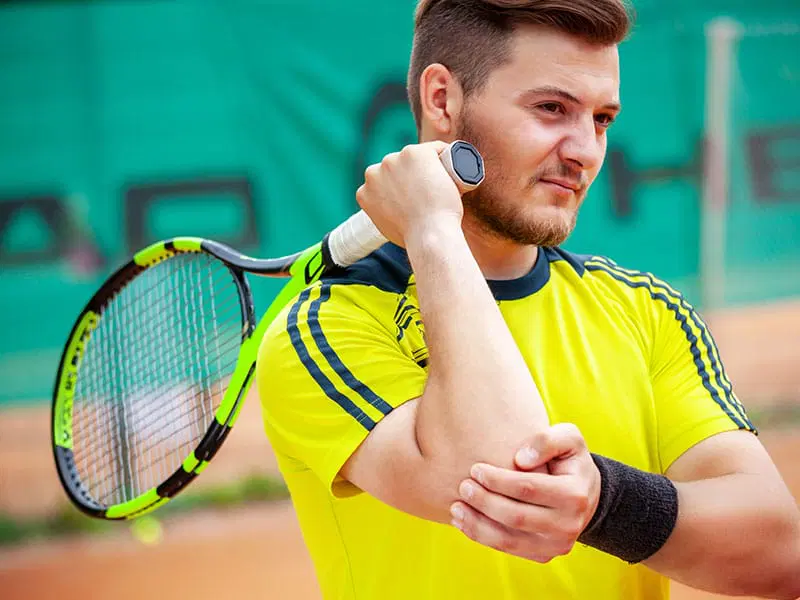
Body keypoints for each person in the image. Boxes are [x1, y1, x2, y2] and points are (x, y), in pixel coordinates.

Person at [256, 1, 800, 598]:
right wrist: (434, 228)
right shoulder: (322, 327)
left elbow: (780, 552)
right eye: (551, 109)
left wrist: (603, 500)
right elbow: (505, 493)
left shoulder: (647, 311)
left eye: (601, 119)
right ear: (442, 100)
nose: (586, 151)